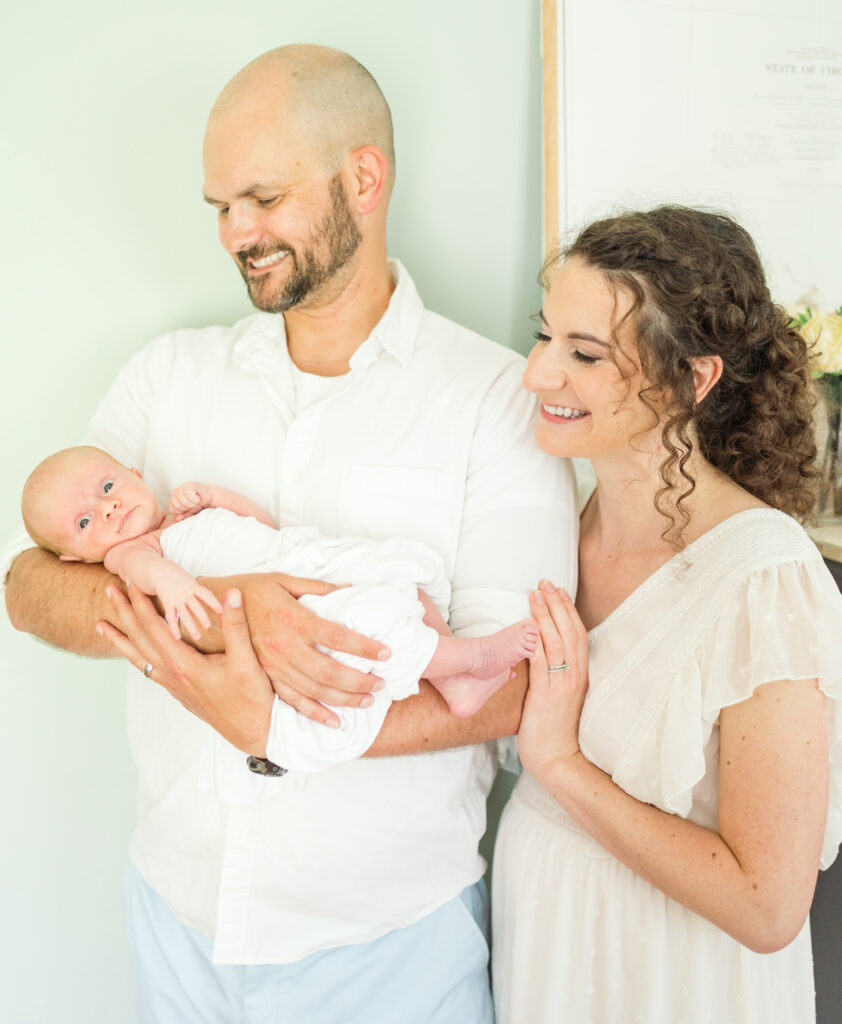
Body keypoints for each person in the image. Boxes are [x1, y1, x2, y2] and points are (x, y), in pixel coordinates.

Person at [2, 44, 577, 1022]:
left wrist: (275, 719)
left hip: (388, 946)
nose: (235, 232)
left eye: (260, 199)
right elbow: (30, 583)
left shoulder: (489, 402)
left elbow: (515, 684)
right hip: (177, 919)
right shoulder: (166, 377)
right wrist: (224, 618)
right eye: (220, 206)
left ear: (362, 177)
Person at [491, 205, 842, 1024]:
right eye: (544, 336)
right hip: (545, 949)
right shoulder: (552, 521)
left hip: (673, 983)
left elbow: (768, 906)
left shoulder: (767, 582)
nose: (537, 375)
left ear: (693, 377)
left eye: (584, 354)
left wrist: (560, 766)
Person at [22, 443, 539, 778]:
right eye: (85, 522)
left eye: (108, 488)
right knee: (371, 622)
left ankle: (456, 685)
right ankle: (469, 658)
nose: (107, 508)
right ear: (74, 558)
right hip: (303, 601)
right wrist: (179, 591)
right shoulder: (131, 554)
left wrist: (219, 497)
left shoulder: (186, 517)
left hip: (300, 556)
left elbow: (262, 523)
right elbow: (150, 578)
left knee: (397, 570)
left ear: (133, 473)